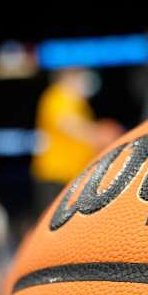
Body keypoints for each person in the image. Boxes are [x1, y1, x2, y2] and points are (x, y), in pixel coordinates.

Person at [29, 67, 110, 218]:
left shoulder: (79, 103)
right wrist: (100, 133)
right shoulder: (58, 96)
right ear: (69, 78)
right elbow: (69, 124)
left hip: (73, 176)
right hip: (56, 174)